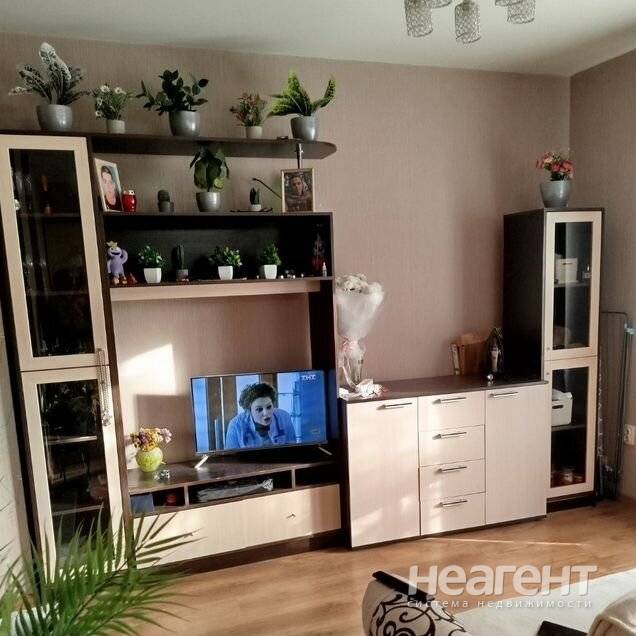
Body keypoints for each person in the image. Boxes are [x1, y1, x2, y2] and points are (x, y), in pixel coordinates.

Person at [225, 382, 297, 449]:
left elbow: (292, 450)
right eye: (259, 409)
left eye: (269, 407)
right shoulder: (235, 426)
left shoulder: (284, 417)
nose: (266, 413)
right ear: (249, 410)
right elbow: (231, 457)